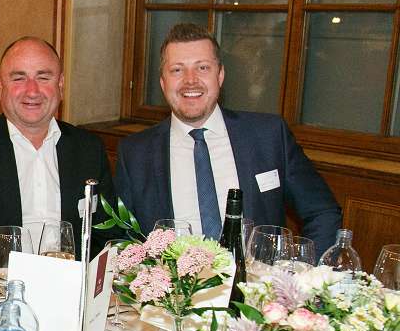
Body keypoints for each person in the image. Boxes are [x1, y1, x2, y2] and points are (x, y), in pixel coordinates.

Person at [114, 23, 341, 254]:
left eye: (202, 67)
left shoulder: (269, 136)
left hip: (256, 276)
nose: (190, 80)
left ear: (220, 75)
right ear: (163, 82)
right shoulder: (135, 154)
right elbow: (122, 239)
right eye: (177, 70)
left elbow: (322, 212)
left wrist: (301, 271)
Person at [0, 36, 116, 257]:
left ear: (60, 84)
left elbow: (106, 235)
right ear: (0, 84)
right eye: (19, 78)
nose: (32, 91)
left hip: (72, 276)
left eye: (43, 77)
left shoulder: (89, 149)